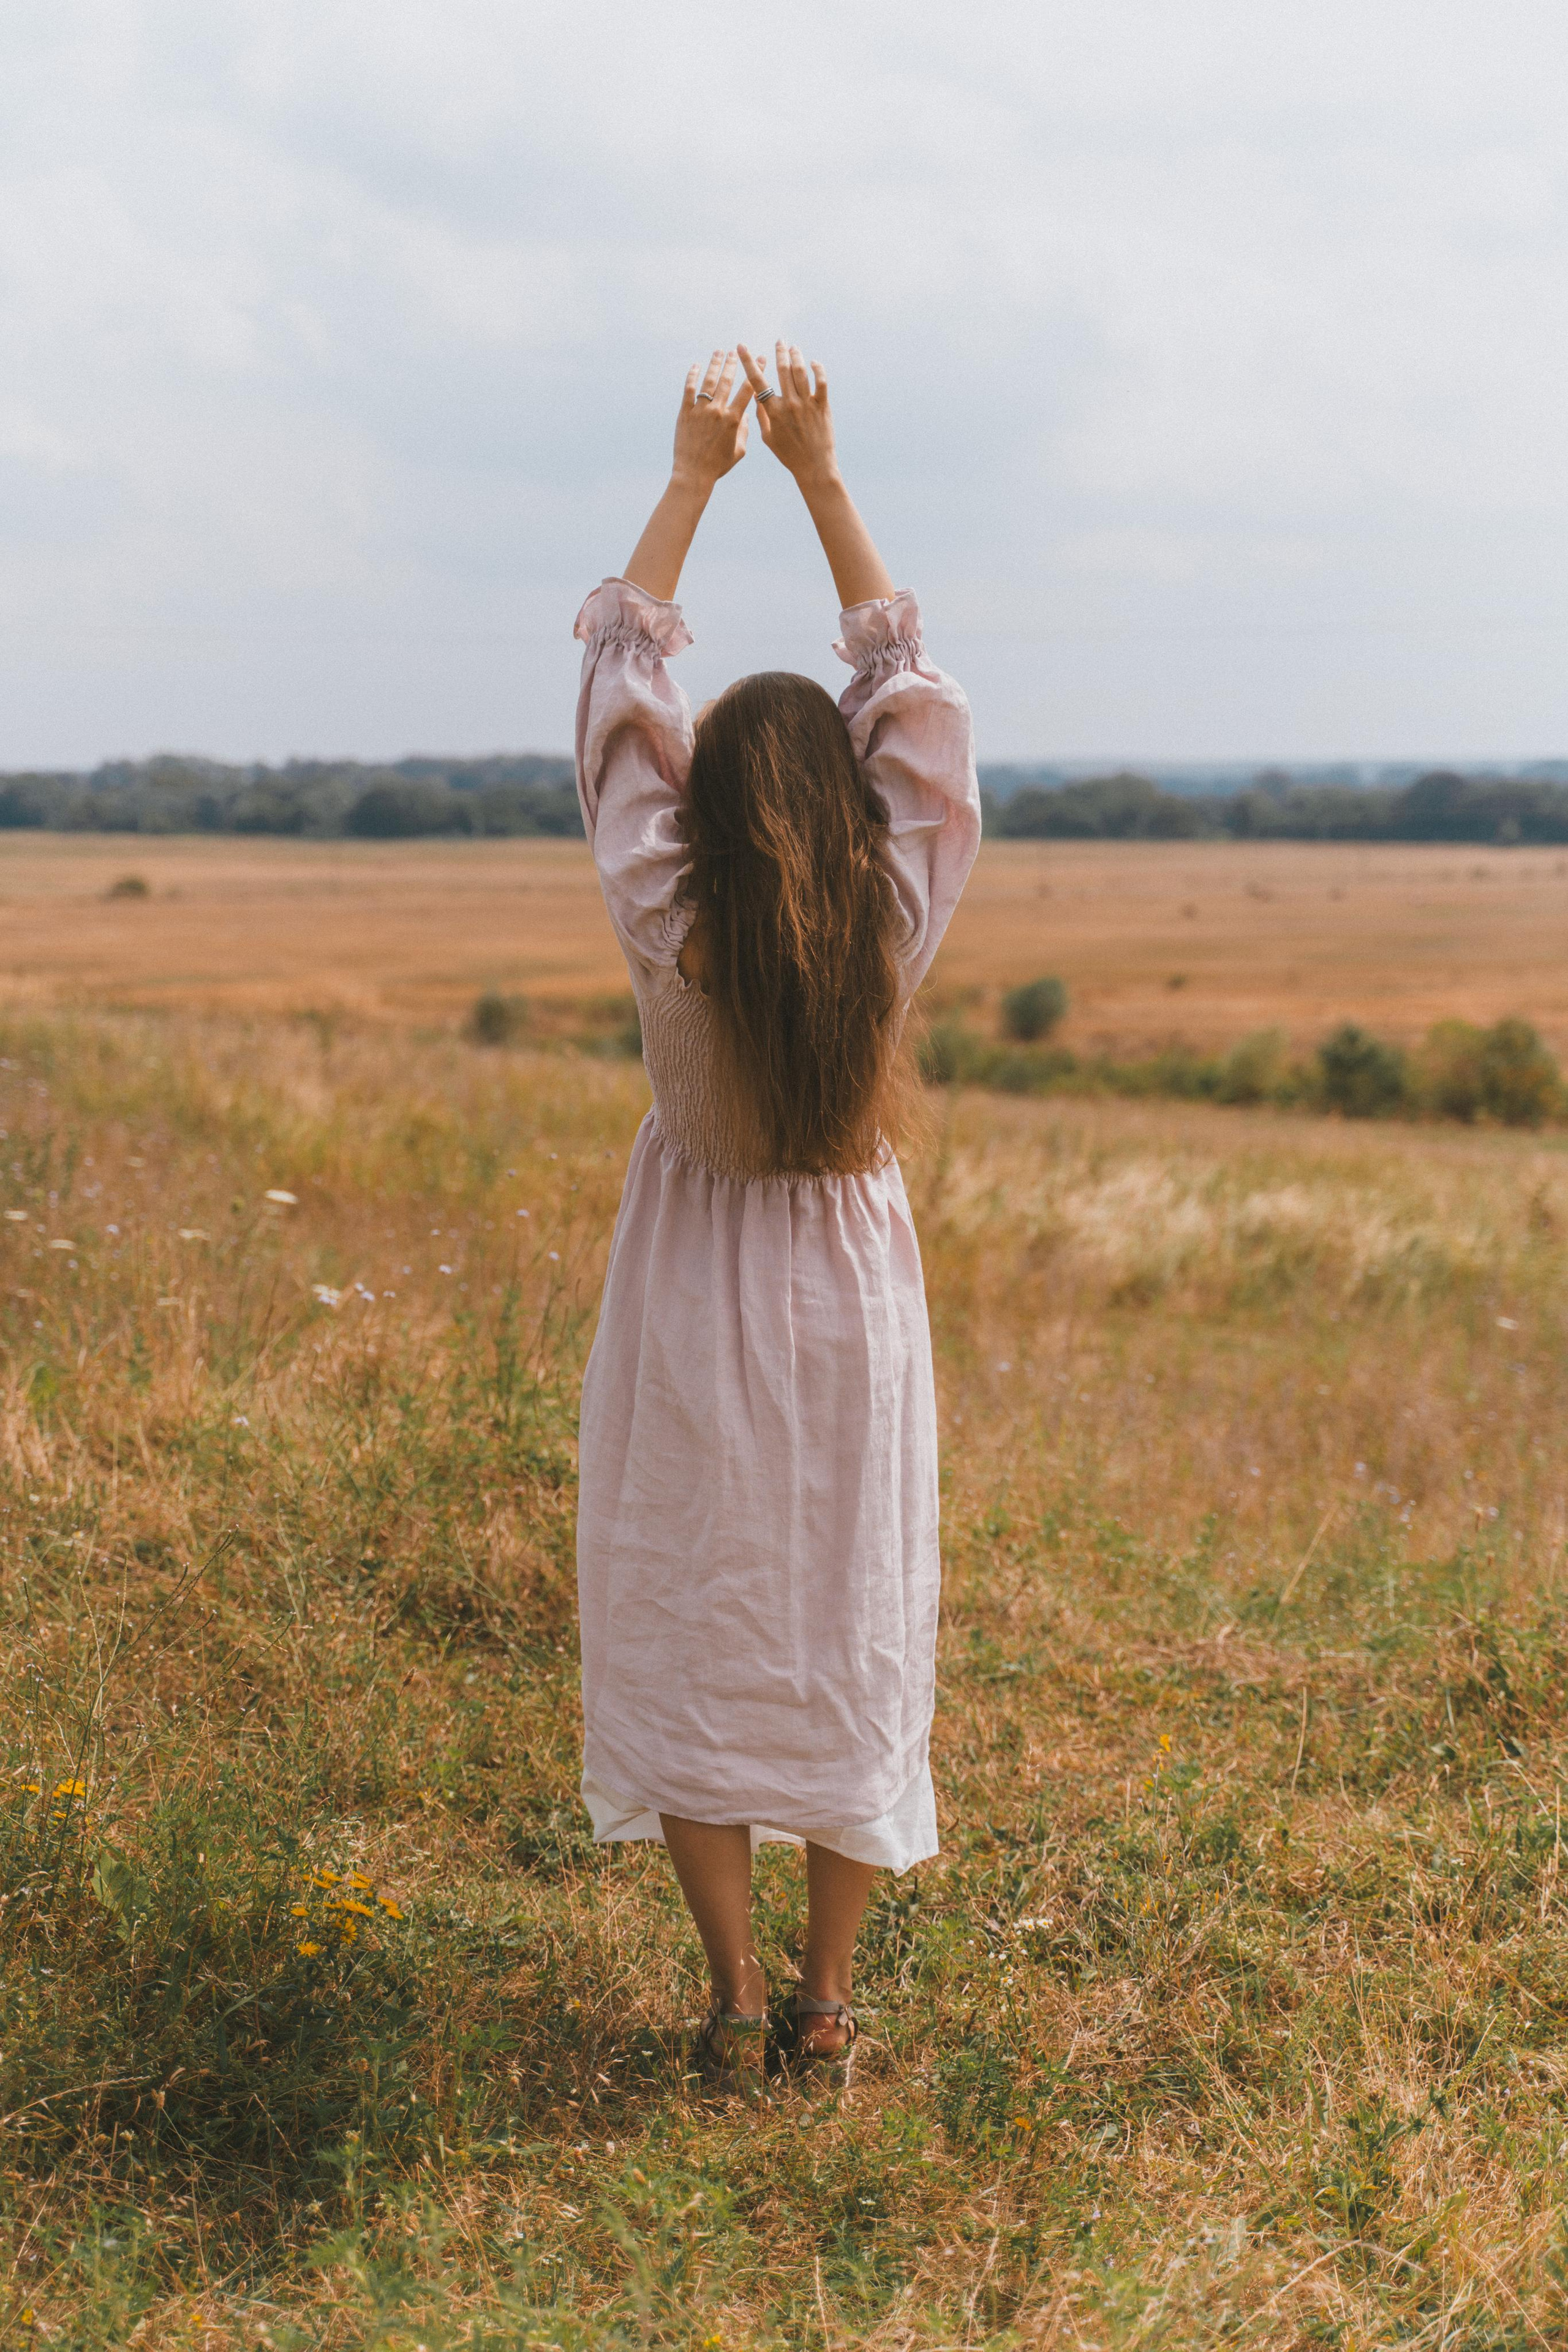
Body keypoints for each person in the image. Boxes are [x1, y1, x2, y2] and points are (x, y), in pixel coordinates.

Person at [571, 341, 980, 2093]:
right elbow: (925, 719)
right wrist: (823, 480)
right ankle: (825, 2007)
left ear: (706, 813)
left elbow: (613, 693)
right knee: (846, 1624)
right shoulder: (891, 922)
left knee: (691, 1611)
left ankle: (733, 2004)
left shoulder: (671, 923)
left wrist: (693, 478)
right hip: (848, 1296)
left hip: (695, 1285)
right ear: (848, 805)